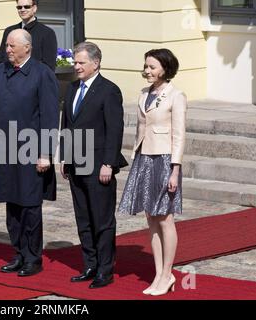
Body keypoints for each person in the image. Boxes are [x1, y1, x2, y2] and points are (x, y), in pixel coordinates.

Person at [0, 29, 59, 277]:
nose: (7, 50)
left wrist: (46, 153)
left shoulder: (42, 73)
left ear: (27, 47)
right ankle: (18, 253)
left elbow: (49, 116)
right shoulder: (1, 73)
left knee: (29, 206)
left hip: (31, 151)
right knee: (12, 206)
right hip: (5, 149)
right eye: (6, 45)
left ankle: (33, 258)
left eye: (12, 46)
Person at [118, 48, 187, 296]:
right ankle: (159, 274)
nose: (147, 71)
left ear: (165, 69)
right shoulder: (144, 93)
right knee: (151, 217)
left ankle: (168, 273)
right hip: (144, 157)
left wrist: (175, 170)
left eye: (152, 67)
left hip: (165, 160)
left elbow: (179, 136)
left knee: (165, 218)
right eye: (146, 66)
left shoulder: (176, 96)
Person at [60, 42, 127, 289]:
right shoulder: (72, 88)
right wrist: (66, 157)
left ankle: (105, 270)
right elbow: (66, 124)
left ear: (95, 63)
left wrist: (109, 163)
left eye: (81, 63)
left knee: (102, 219)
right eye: (75, 62)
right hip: (76, 163)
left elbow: (114, 130)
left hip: (99, 165)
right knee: (84, 218)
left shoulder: (109, 90)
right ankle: (90, 264)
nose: (76, 67)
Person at [0, 0, 57, 71]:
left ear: (34, 8)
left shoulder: (46, 33)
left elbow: (48, 66)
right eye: (19, 7)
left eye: (26, 7)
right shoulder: (9, 31)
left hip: (34, 80)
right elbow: (0, 61)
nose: (22, 10)